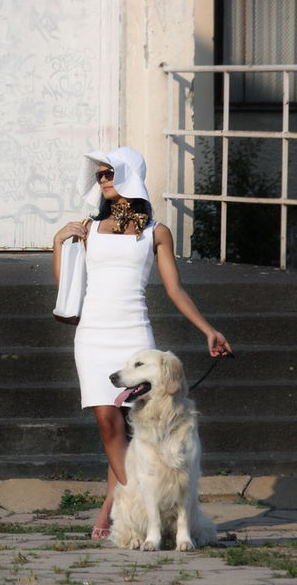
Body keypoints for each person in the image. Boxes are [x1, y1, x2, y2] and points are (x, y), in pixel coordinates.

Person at [52, 146, 232, 539]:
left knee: (132, 427)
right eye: (99, 175)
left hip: (135, 336)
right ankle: (129, 502)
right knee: (107, 422)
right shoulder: (88, 228)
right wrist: (58, 242)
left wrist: (208, 330)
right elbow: (67, 287)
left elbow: (174, 289)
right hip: (93, 335)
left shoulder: (156, 232)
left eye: (109, 173)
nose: (102, 180)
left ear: (129, 175)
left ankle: (113, 508)